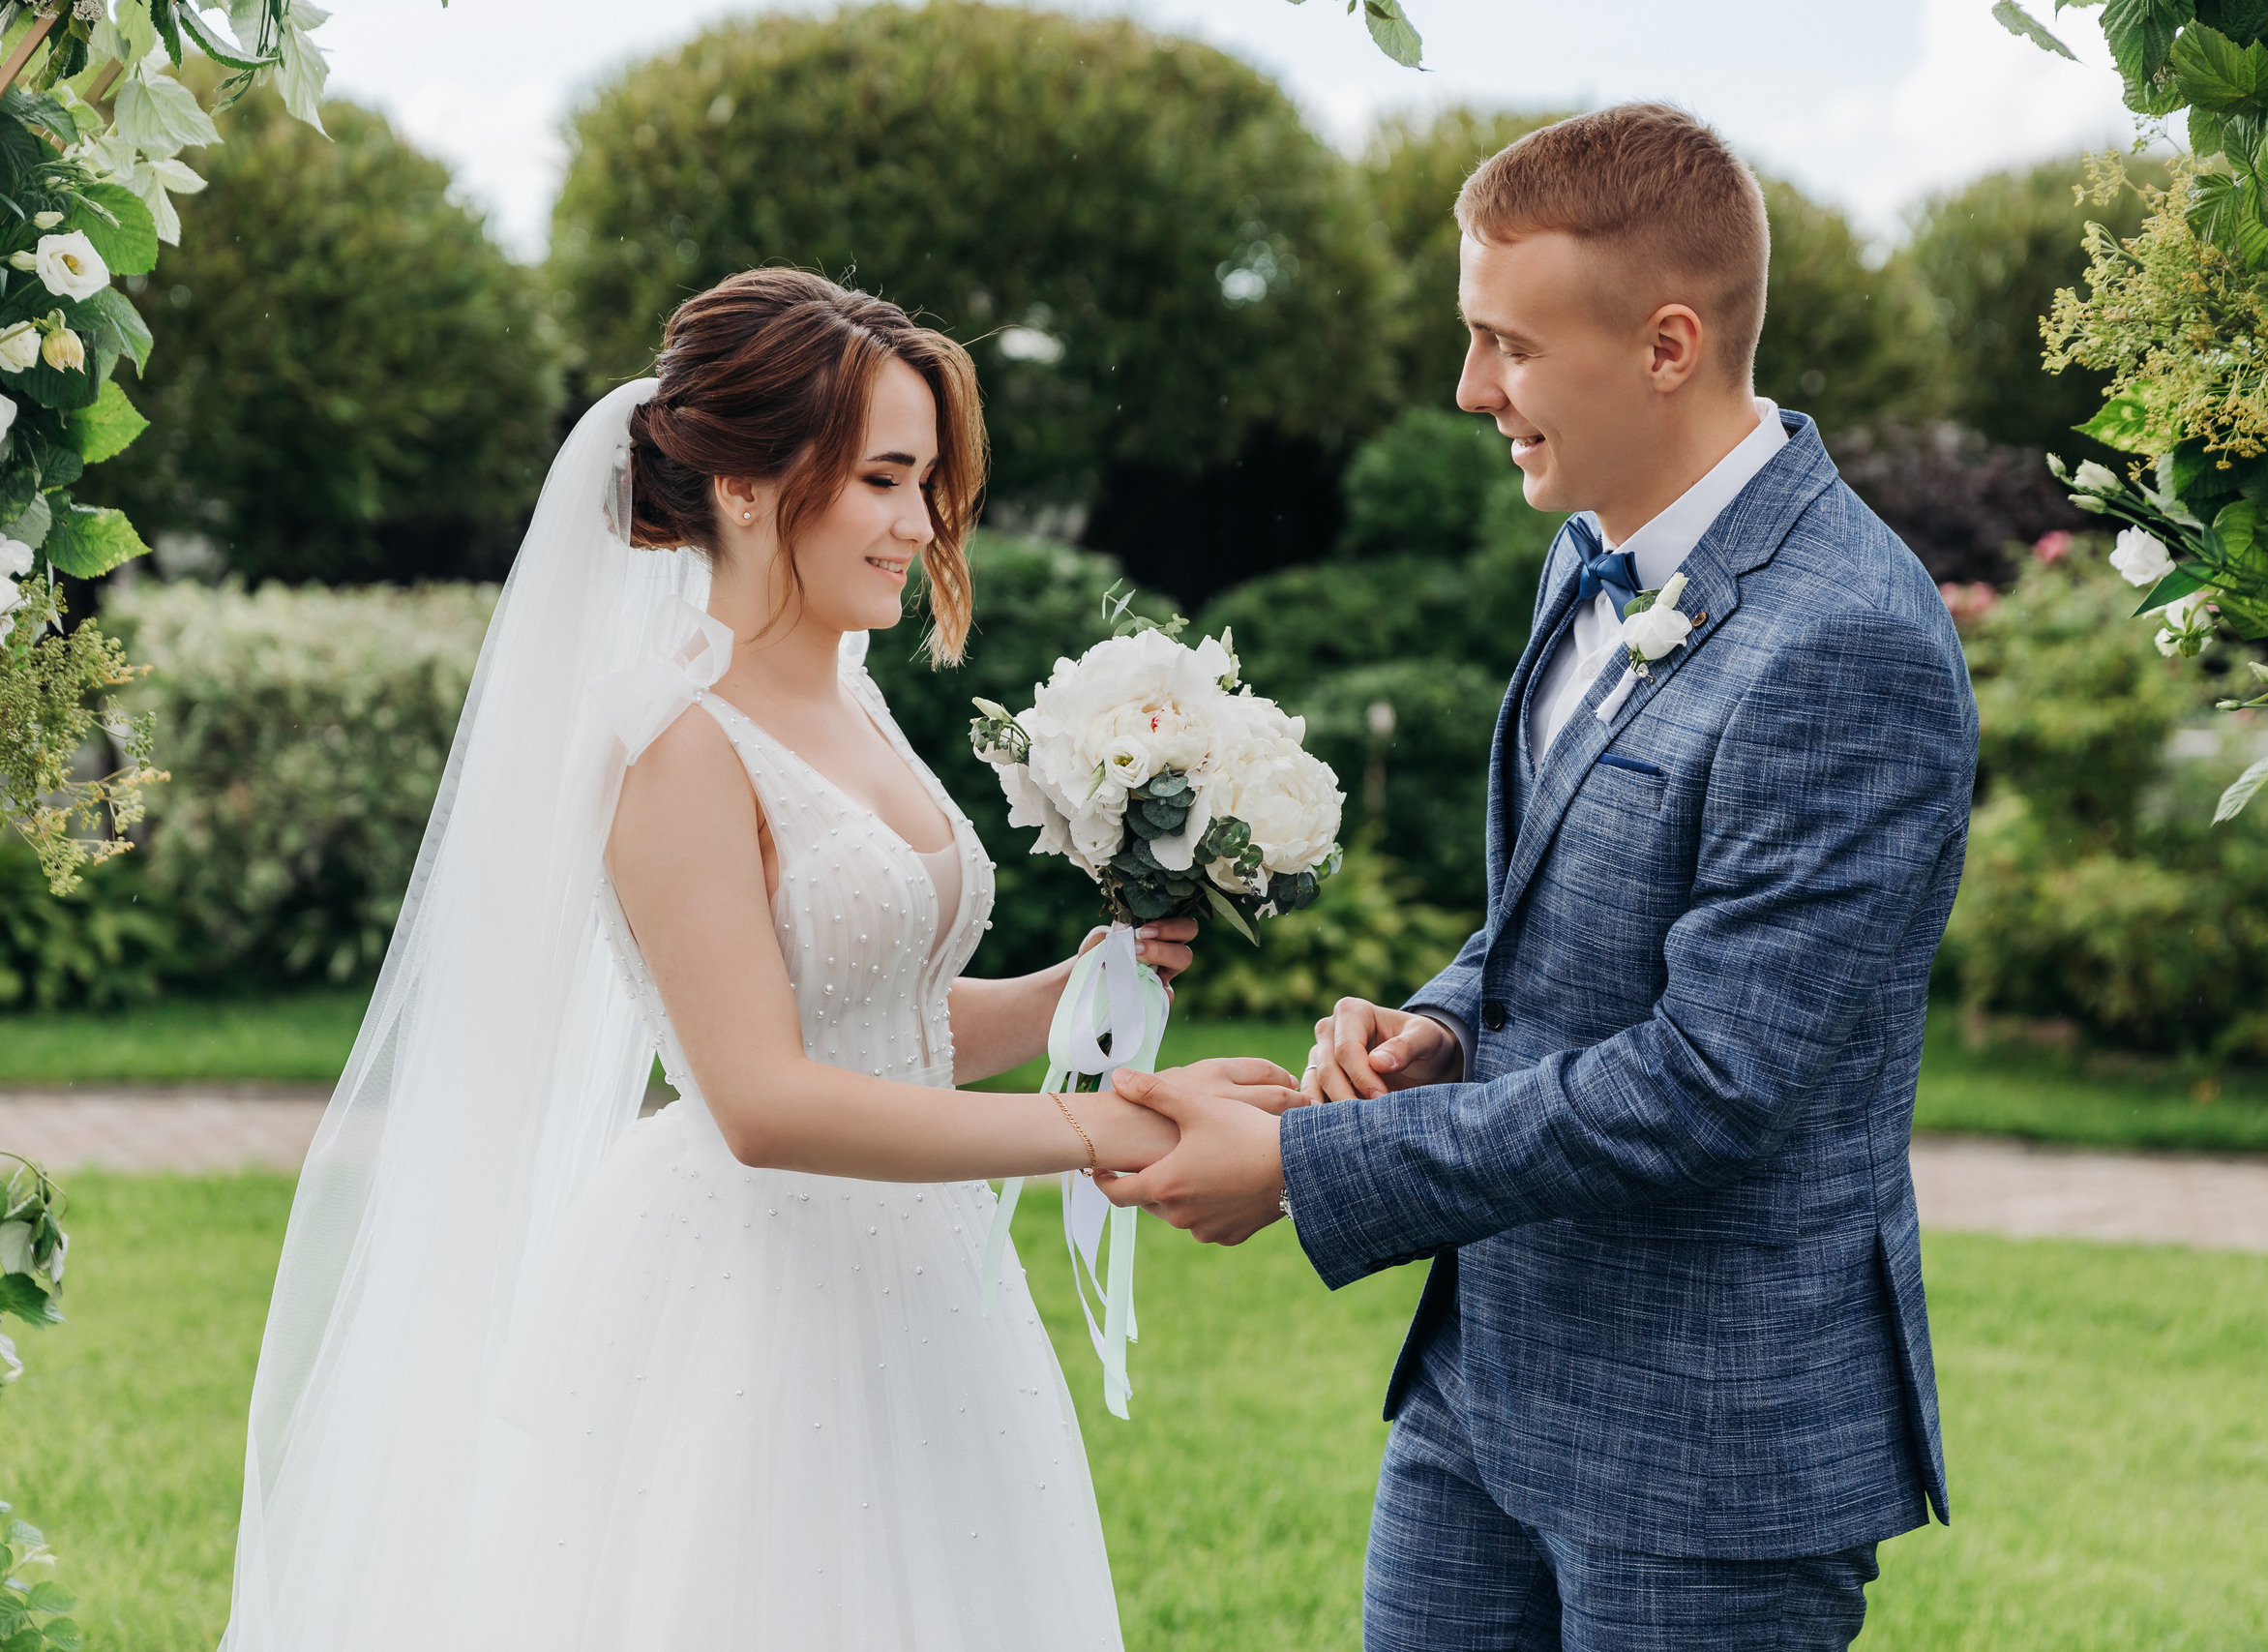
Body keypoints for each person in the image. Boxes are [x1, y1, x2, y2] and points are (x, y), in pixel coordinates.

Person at [219, 268, 1295, 1651]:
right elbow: (765, 1099)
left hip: (914, 1274)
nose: (920, 525)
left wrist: (1075, 989)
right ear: (744, 486)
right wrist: (1091, 1125)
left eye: (926, 486)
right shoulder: (675, 743)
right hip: (751, 1303)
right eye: (885, 480)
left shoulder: (847, 694)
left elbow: (876, 1024)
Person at [1099, 105, 1977, 1649]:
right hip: (1485, 1381)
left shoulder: (1847, 641)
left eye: (1509, 345)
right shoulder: (1589, 547)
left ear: (1667, 345)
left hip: (1708, 1441)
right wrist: (1439, 1020)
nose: (1469, 390)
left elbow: (1719, 1078)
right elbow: (1563, 909)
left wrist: (1312, 1172)